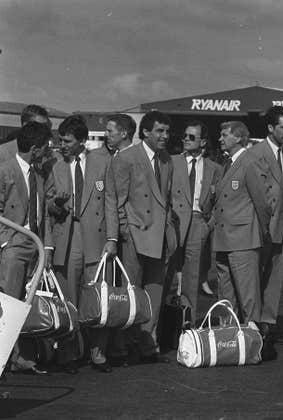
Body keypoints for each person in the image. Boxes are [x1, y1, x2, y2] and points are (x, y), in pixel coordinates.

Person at [47, 115, 118, 373]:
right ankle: (69, 354)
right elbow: (48, 206)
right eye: (60, 140)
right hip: (68, 234)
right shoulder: (54, 165)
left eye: (67, 141)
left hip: (97, 237)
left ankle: (98, 354)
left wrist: (112, 238)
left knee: (98, 296)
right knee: (68, 298)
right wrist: (56, 204)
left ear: (82, 141)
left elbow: (110, 200)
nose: (61, 145)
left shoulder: (103, 161)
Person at [111, 111, 177, 363]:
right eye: (159, 131)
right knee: (130, 293)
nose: (165, 136)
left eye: (167, 131)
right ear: (146, 132)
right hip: (135, 237)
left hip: (159, 237)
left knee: (155, 294)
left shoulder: (166, 160)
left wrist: (170, 230)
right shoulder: (126, 159)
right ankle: (123, 347)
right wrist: (126, 231)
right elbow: (117, 202)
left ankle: (148, 344)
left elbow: (166, 199)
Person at [0, 121, 53, 375]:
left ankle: (16, 356)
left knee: (23, 305)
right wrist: (6, 243)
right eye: (45, 147)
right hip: (15, 247)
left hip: (36, 248)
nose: (48, 151)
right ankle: (6, 357)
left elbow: (42, 213)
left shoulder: (38, 174)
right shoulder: (5, 171)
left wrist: (47, 248)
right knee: (9, 306)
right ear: (34, 149)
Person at [212, 121, 271, 332]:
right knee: (225, 293)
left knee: (248, 294)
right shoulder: (226, 162)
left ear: (238, 138)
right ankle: (228, 336)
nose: (220, 138)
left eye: (224, 134)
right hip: (223, 238)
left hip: (243, 238)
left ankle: (253, 337)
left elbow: (263, 203)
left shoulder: (250, 161)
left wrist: (259, 232)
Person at [247, 106, 283, 344]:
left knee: (275, 278)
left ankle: (269, 322)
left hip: (282, 227)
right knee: (255, 276)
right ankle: (253, 323)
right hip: (261, 226)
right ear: (270, 128)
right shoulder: (256, 153)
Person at [170, 120, 222, 316]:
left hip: (199, 221)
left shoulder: (215, 168)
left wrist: (209, 224)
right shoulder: (171, 161)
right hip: (174, 221)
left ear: (203, 142)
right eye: (185, 135)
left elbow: (220, 200)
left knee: (192, 276)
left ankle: (187, 322)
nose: (186, 139)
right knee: (165, 273)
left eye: (192, 137)